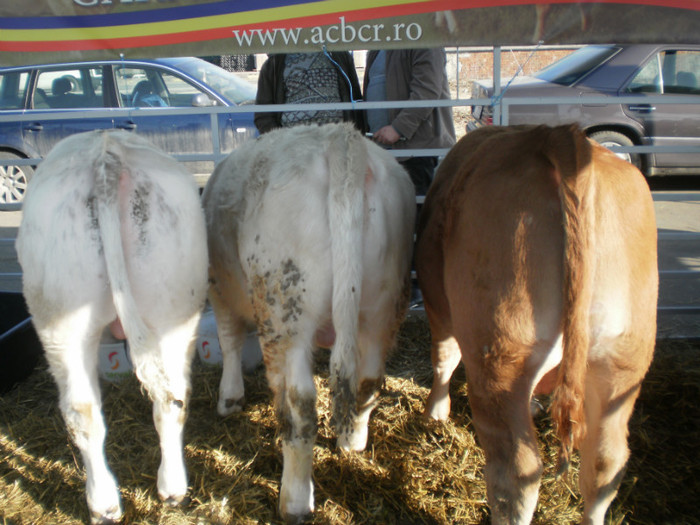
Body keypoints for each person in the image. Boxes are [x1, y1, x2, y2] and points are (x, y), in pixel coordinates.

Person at [363, 48, 456, 195]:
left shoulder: (422, 38)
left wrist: (399, 128)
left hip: (416, 150)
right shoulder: (379, 45)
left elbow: (427, 90)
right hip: (384, 151)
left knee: (417, 212)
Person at [254, 51, 365, 134]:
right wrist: (282, 142)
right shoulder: (273, 64)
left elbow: (356, 102)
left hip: (336, 144)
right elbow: (263, 115)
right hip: (294, 151)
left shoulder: (340, 56)